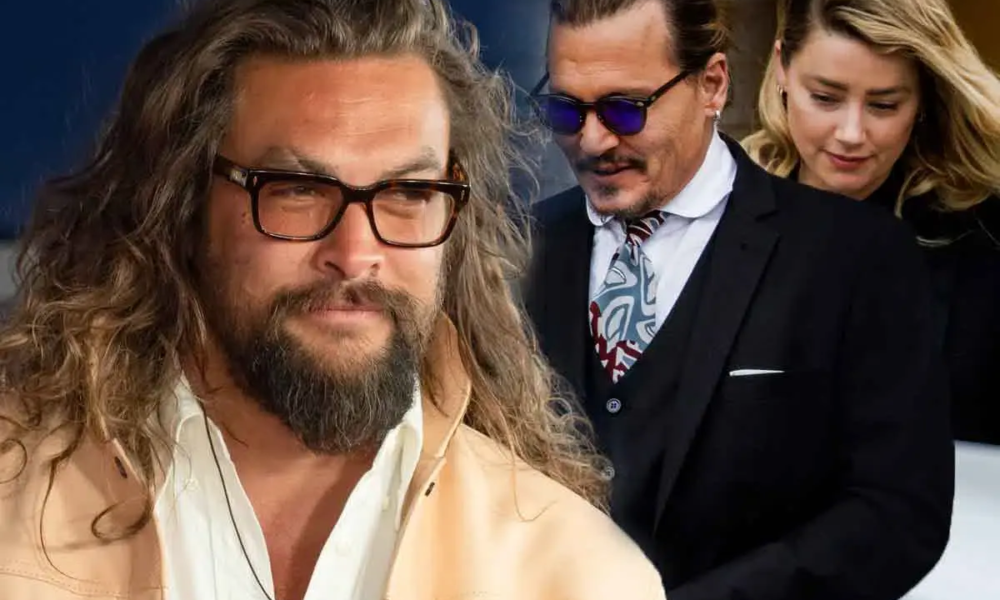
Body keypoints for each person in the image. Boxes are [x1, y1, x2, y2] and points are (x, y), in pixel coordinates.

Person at [0, 1, 667, 599]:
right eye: (296, 189)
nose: (354, 254)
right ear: (185, 207)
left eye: (408, 193)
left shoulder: (582, 576)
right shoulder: (11, 497)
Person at [522, 0, 954, 598]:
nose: (592, 140)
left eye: (626, 108)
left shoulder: (857, 256)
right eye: (566, 109)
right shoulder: (518, 248)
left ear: (712, 85)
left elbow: (897, 512)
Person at [743, 0, 1000, 446]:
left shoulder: (981, 237)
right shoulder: (719, 214)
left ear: (922, 99)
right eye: (825, 98)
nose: (851, 133)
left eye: (884, 105)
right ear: (782, 67)